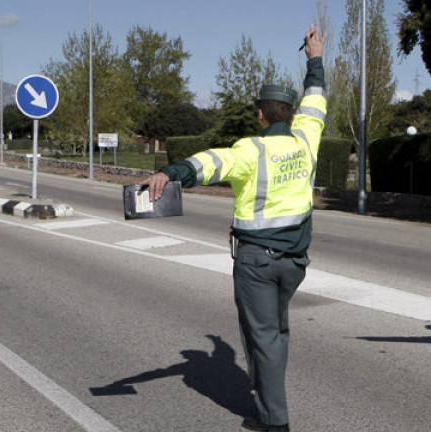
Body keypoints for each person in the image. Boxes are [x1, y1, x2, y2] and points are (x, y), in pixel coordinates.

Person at [139, 24, 327, 432]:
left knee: (263, 337)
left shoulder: (251, 150)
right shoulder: (306, 139)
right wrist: (315, 59)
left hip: (257, 260)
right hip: (295, 261)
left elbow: (206, 164)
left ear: (260, 114)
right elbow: (317, 97)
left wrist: (169, 173)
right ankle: (266, 397)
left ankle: (275, 420)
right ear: (291, 114)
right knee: (275, 331)